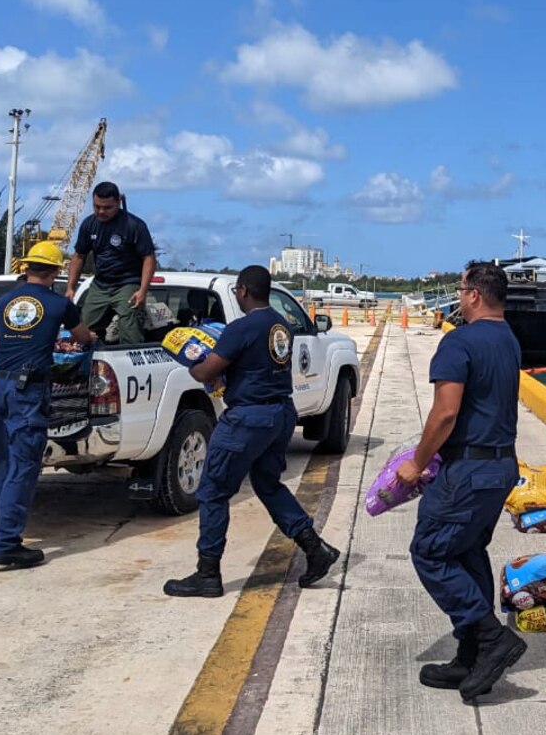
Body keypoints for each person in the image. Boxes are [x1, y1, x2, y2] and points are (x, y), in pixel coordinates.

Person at [165, 265, 340, 598]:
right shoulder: (282, 325)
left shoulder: (241, 328)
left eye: (236, 292)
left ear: (243, 290)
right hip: (280, 414)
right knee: (268, 484)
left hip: (248, 418)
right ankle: (315, 549)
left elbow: (206, 372)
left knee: (213, 491)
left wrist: (189, 358)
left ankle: (207, 573)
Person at [396, 260, 526, 704]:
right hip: (500, 466)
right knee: (467, 551)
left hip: (468, 470)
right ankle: (470, 654)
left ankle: (492, 639)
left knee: (430, 551)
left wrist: (417, 462)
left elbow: (446, 412)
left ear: (472, 294)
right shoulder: (508, 339)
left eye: (460, 287)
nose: (457, 294)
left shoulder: (460, 342)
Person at [0, 242, 95, 568]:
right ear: (56, 272)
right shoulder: (59, 305)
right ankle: (8, 544)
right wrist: (92, 337)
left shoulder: (4, 302)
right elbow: (81, 338)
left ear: (26, 268)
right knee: (22, 466)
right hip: (27, 392)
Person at [66, 182, 157, 344]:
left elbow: (148, 258)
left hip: (127, 283)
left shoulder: (134, 225)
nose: (101, 211)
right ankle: (84, 364)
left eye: (107, 208)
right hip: (100, 284)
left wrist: (143, 290)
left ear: (118, 203)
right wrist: (70, 288)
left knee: (130, 329)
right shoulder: (89, 224)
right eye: (97, 207)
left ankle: (129, 361)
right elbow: (79, 256)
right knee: (81, 330)